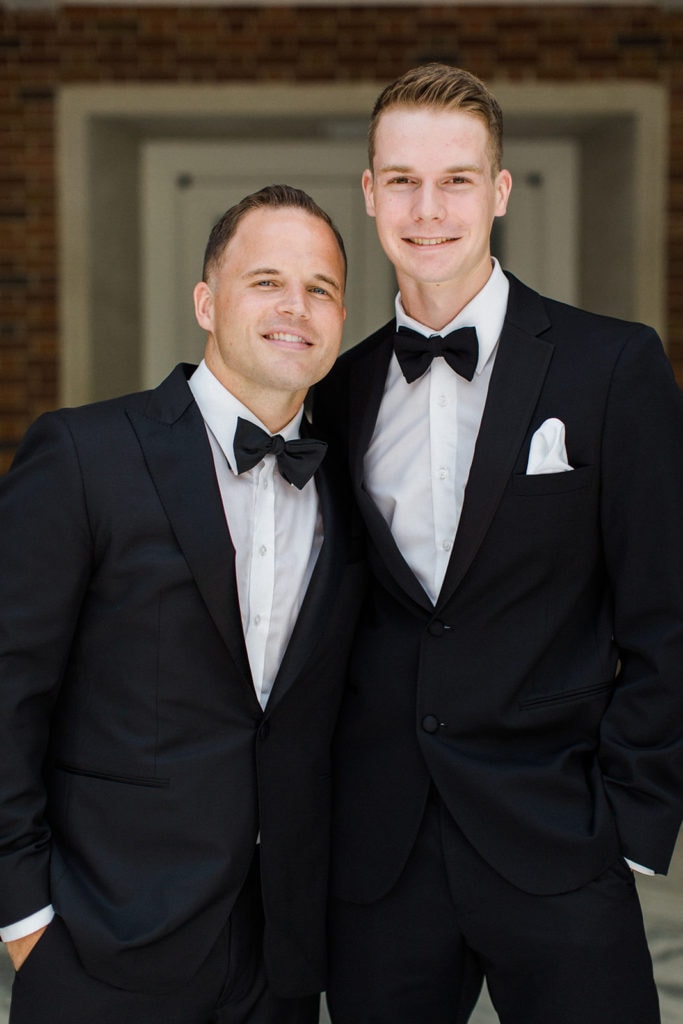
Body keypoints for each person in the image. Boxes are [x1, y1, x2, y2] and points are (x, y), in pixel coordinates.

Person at [314, 64, 683, 1024]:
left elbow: (666, 607)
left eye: (457, 179)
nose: (427, 208)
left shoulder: (613, 365)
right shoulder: (336, 391)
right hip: (381, 857)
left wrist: (633, 822)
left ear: (499, 192)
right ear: (368, 192)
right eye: (400, 180)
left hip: (557, 837)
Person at [0, 184, 365, 1024]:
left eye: (320, 288)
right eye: (265, 280)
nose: (295, 307)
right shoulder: (85, 453)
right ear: (206, 302)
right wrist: (25, 918)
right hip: (101, 943)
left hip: (279, 958)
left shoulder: (350, 482)